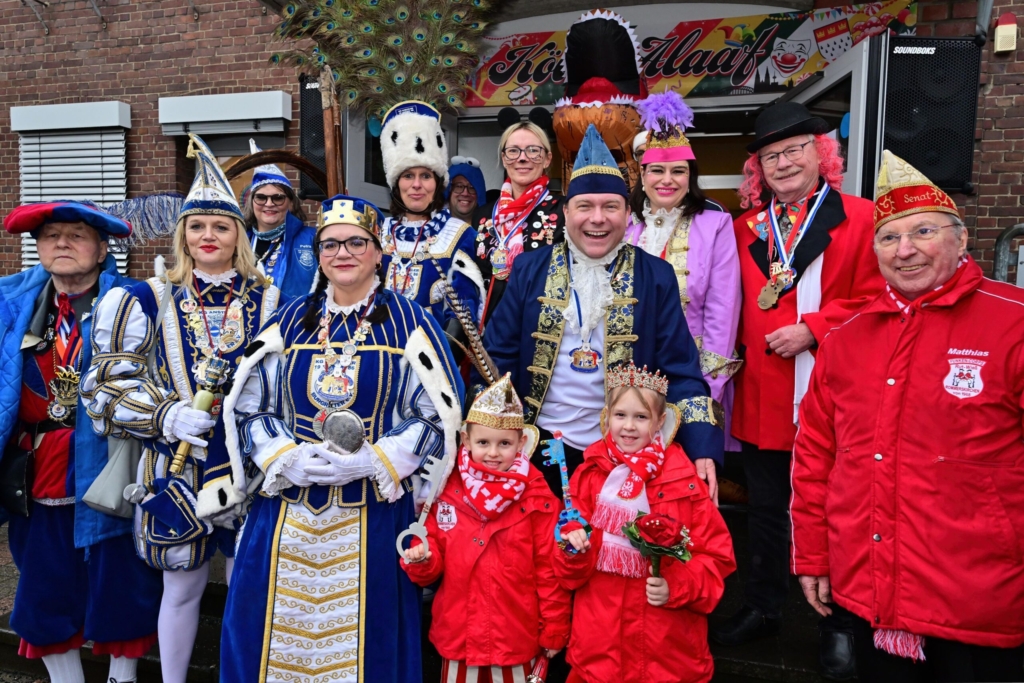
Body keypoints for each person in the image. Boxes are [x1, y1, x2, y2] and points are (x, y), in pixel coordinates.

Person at [211, 193, 464, 683]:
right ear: (319, 254)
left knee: (366, 648)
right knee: (270, 637)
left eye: (355, 243)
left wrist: (374, 460)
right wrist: (285, 456)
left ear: (377, 251)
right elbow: (248, 405)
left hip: (371, 512)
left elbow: (437, 416)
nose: (342, 253)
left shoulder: (412, 323)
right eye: (330, 245)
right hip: (287, 513)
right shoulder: (289, 320)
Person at [791, 151, 1024, 682]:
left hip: (980, 598)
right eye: (890, 238)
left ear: (961, 240)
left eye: (923, 231)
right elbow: (815, 459)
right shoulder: (845, 339)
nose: (906, 250)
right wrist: (812, 556)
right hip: (869, 587)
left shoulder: (1013, 324)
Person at [82, 135, 279, 683]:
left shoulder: (274, 299)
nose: (208, 236)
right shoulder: (142, 298)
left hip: (251, 470)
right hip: (175, 468)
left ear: (238, 233)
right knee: (182, 587)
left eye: (220, 226)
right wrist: (167, 415)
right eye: (196, 226)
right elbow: (103, 388)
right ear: (182, 234)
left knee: (248, 587)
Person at [712, 102, 883, 679]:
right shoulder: (743, 228)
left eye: (794, 150)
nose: (782, 163)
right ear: (758, 169)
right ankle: (764, 607)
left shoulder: (862, 219)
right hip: (762, 394)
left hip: (832, 396)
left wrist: (816, 327)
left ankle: (842, 623)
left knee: (836, 512)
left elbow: (884, 300)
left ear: (822, 154)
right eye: (770, 156)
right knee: (765, 510)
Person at [483, 124, 723, 501]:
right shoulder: (530, 268)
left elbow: (680, 370)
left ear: (628, 213)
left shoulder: (655, 275)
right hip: (534, 450)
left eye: (610, 206)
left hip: (622, 452)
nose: (597, 219)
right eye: (585, 206)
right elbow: (495, 360)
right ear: (566, 213)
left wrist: (703, 445)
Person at [0, 202, 161, 683]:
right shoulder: (13, 302)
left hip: (111, 460)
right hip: (37, 466)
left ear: (102, 247)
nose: (62, 244)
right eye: (51, 236)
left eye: (75, 235)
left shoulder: (136, 300)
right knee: (43, 580)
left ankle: (122, 676)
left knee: (121, 577)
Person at [555, 361, 736, 683]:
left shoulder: (686, 483)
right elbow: (564, 567)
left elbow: (717, 558)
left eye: (641, 417)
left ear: (660, 421)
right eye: (620, 415)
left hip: (668, 652)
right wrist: (573, 551)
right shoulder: (588, 478)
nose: (628, 426)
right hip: (600, 646)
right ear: (606, 416)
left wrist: (676, 587)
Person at [401, 374, 570, 681]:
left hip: (515, 637)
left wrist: (554, 629)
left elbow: (549, 570)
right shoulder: (445, 488)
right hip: (459, 636)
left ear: (521, 443)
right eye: (483, 442)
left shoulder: (537, 498)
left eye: (504, 443)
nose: (493, 453)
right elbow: (432, 552)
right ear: (466, 440)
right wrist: (422, 559)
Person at [626, 90, 742, 477]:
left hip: (689, 376)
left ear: (691, 176)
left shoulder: (716, 224)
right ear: (641, 175)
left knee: (683, 483)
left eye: (678, 171)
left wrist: (708, 390)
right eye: (657, 171)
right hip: (624, 382)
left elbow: (723, 312)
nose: (667, 180)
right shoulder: (622, 225)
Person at [378, 100, 484, 328]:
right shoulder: (377, 231)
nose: (417, 185)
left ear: (437, 183)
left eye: (425, 176)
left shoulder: (459, 234)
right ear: (396, 184)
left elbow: (463, 310)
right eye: (408, 176)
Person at [474, 120, 565, 324]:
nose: (522, 158)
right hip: (489, 326)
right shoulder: (483, 215)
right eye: (514, 151)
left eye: (533, 150)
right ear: (504, 159)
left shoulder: (563, 211)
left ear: (548, 159)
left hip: (541, 325)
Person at [242, 139, 318, 299]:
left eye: (278, 198)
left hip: (296, 322)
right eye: (261, 197)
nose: (269, 204)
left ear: (291, 202)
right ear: (252, 202)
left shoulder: (314, 238)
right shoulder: (238, 241)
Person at [446, 155, 486, 224]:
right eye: (459, 186)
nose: (465, 193)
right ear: (449, 190)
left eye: (471, 187)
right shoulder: (433, 227)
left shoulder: (490, 229)